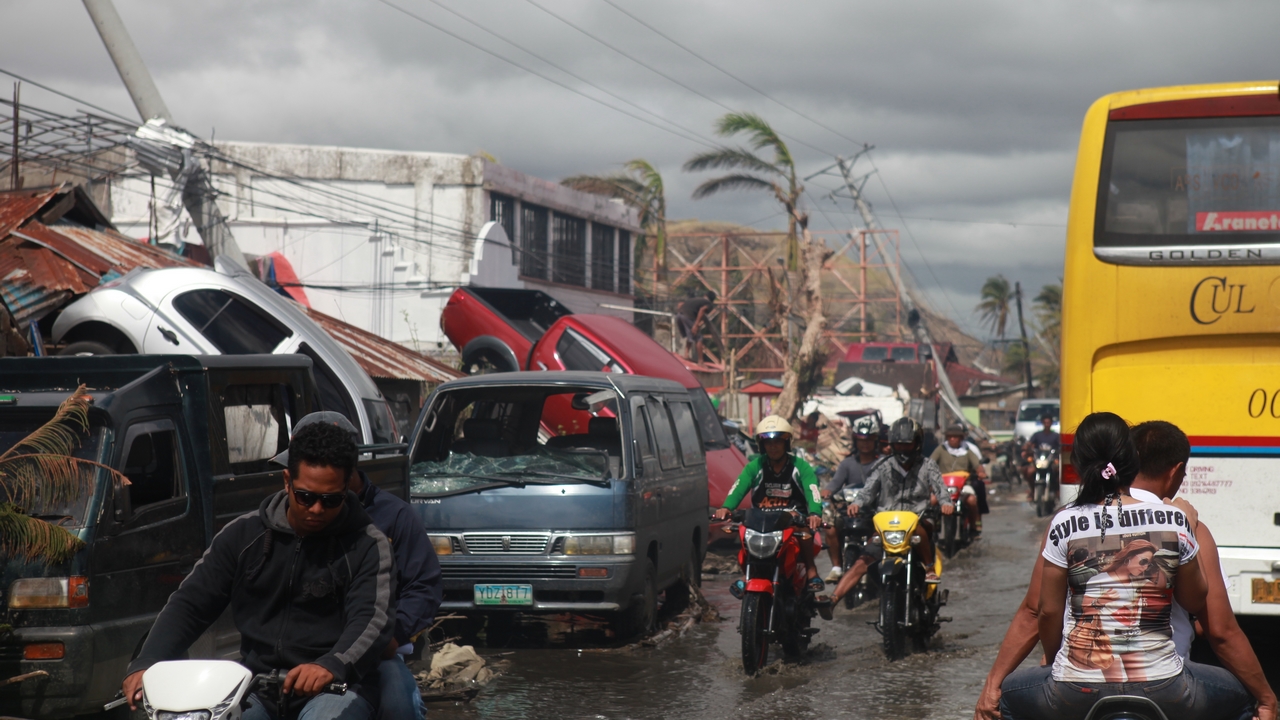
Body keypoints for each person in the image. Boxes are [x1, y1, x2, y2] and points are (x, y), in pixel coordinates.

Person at [974, 419, 1275, 720]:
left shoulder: (1063, 522)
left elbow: (1043, 612)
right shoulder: (1177, 521)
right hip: (1166, 686)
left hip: (1074, 687)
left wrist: (1049, 664)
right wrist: (1266, 698)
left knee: (1006, 702)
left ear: (1078, 464)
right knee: (1246, 702)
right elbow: (1206, 613)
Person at [121, 422, 395, 719]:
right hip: (254, 689)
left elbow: (371, 619)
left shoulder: (367, 544)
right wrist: (148, 661)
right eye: (306, 496)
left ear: (347, 489)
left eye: (331, 500)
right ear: (287, 481)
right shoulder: (242, 535)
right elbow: (191, 603)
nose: (316, 509)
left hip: (337, 689)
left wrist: (332, 665)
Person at [271, 412, 441, 720]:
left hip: (375, 652)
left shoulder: (394, 518)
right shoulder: (282, 519)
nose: (315, 508)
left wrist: (393, 636)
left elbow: (424, 586)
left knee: (398, 705)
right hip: (304, 652)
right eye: (305, 495)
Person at [826, 417, 954, 608]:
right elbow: (868, 490)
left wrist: (945, 503)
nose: (902, 449)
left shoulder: (928, 465)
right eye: (898, 445)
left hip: (918, 520)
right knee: (863, 560)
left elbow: (941, 489)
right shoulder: (883, 466)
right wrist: (857, 503)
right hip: (887, 526)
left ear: (917, 444)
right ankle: (833, 600)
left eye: (907, 444)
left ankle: (928, 568)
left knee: (919, 529)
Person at [713, 415, 825, 594]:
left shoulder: (801, 467)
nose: (773, 447)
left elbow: (813, 490)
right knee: (744, 537)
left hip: (793, 520)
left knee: (804, 533)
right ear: (761, 445)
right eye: (768, 443)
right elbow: (739, 487)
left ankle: (811, 571)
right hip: (761, 521)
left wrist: (814, 513)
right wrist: (726, 508)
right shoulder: (754, 466)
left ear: (786, 443)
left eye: (778, 442)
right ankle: (747, 576)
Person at [820, 414, 883, 582]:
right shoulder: (847, 463)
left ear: (876, 440)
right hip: (850, 511)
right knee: (830, 526)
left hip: (876, 512)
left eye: (869, 439)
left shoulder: (884, 463)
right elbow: (835, 482)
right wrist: (827, 491)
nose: (865, 443)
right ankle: (836, 567)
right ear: (855, 440)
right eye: (861, 439)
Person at [929, 423, 988, 535]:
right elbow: (930, 463)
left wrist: (981, 472)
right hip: (943, 485)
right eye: (950, 436)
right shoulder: (941, 449)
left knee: (971, 501)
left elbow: (977, 465)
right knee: (932, 501)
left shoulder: (967, 451)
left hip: (963, 486)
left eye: (955, 436)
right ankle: (933, 524)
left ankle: (974, 525)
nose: (952, 439)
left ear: (961, 438)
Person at [676, 291, 717, 361]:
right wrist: (696, 325)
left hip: (679, 315)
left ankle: (686, 354)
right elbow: (702, 310)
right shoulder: (709, 304)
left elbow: (680, 304)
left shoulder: (696, 299)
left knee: (691, 334)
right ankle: (701, 361)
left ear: (705, 295)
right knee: (699, 338)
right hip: (687, 316)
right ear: (712, 300)